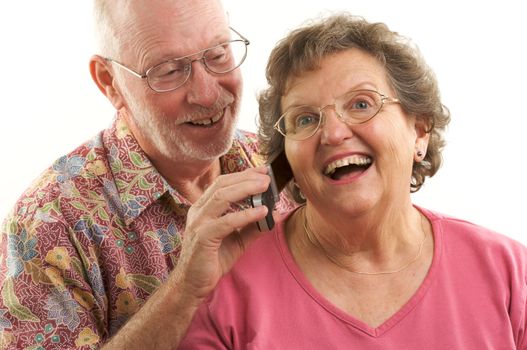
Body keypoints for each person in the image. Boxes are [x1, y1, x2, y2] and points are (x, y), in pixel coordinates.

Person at [180, 13, 527, 349]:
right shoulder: (227, 289)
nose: (332, 133)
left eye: (362, 103)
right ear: (286, 158)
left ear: (419, 132)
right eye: (305, 119)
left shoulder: (508, 271)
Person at [0, 0, 294, 348]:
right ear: (109, 82)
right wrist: (184, 290)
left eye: (217, 55)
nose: (207, 93)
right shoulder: (47, 226)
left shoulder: (281, 159)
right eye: (168, 70)